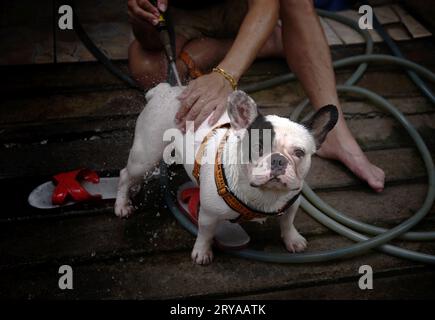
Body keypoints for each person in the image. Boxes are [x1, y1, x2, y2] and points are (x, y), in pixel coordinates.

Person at [127, 0, 385, 192]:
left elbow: (265, 4)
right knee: (147, 69)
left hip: (251, 8)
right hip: (189, 16)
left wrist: (225, 76)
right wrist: (142, 17)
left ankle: (337, 136)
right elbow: (149, 42)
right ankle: (265, 42)